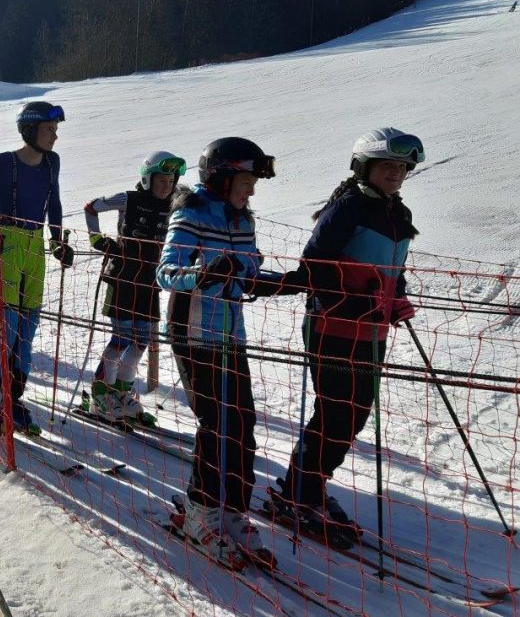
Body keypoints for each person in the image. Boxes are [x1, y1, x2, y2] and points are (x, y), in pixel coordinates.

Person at [266, 128, 422, 550]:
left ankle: (309, 486)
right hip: (332, 324)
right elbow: (313, 266)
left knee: (355, 414)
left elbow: (393, 267)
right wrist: (363, 289)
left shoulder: (398, 213)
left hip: (371, 329)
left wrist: (398, 298)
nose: (396, 173)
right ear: (364, 166)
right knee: (335, 413)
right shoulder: (348, 207)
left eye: (402, 167)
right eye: (388, 165)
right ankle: (300, 492)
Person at [158, 137, 299, 570]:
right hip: (194, 330)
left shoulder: (243, 221)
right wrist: (203, 273)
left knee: (242, 421)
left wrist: (284, 281)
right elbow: (166, 273)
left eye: (254, 181)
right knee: (216, 421)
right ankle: (200, 510)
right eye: (246, 180)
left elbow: (249, 269)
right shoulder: (192, 212)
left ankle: (233, 510)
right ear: (221, 178)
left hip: (230, 334)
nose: (252, 189)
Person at [0, 101, 73, 435]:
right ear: (29, 130)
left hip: (35, 246)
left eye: (56, 131)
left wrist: (57, 242)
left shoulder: (52, 163)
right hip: (8, 244)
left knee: (27, 329)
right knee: (6, 326)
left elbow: (53, 205)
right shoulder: (4, 162)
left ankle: (13, 398)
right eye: (48, 130)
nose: (54, 137)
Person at [81, 150, 185, 426]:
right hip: (124, 279)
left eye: (171, 181)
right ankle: (101, 394)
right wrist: (97, 240)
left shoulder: (174, 205)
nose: (167, 187)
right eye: (161, 181)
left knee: (142, 341)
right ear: (147, 179)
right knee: (121, 338)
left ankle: (124, 393)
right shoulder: (130, 199)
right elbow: (91, 208)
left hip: (151, 282)